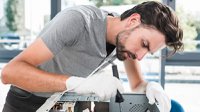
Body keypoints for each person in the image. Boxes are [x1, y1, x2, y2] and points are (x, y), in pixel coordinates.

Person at [1, 1, 183, 112]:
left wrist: (151, 87)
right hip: (24, 102)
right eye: (144, 44)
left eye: (148, 52)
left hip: (60, 102)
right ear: (133, 21)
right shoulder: (78, 21)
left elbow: (137, 84)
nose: (140, 56)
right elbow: (10, 73)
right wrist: (78, 84)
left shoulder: (126, 41)